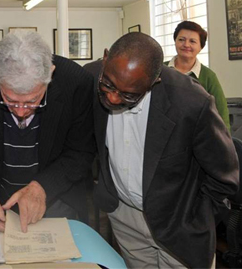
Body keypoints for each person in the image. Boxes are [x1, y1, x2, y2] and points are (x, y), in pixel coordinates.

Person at [86, 32, 238, 268]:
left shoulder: (191, 102)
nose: (114, 99)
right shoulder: (92, 76)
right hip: (124, 216)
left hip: (179, 223)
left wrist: (197, 219)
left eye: (129, 95)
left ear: (154, 81)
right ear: (105, 60)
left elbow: (225, 175)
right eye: (109, 85)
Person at [0, 31, 95, 233]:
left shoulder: (77, 84)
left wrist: (42, 188)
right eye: (10, 100)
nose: (21, 111)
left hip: (55, 196)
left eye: (33, 101)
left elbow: (81, 151)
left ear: (50, 73)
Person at [166, 20, 230, 130]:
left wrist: (225, 144)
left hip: (196, 135)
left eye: (192, 41)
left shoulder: (208, 76)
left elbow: (221, 114)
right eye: (181, 39)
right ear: (175, 41)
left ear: (201, 46)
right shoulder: (160, 70)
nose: (186, 45)